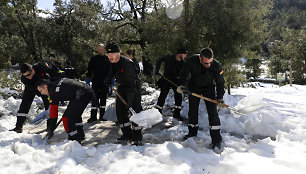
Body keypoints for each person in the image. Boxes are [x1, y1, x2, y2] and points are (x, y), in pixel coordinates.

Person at [177, 47, 225, 149]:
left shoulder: (216, 66)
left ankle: (216, 139)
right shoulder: (191, 61)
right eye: (205, 63)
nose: (208, 65)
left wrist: (220, 98)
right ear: (200, 58)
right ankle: (192, 133)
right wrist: (181, 85)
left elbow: (220, 83)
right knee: (193, 111)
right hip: (194, 88)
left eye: (210, 62)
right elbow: (183, 74)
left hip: (209, 89)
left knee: (213, 112)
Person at [36, 78, 99, 143]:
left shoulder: (53, 92)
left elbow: (53, 114)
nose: (42, 93)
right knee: (75, 115)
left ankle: (74, 141)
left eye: (41, 91)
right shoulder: (55, 84)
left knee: (66, 118)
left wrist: (51, 129)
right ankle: (80, 135)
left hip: (81, 94)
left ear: (45, 87)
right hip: (86, 90)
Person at [105, 42, 143, 145]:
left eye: (112, 54)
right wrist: (108, 79)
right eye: (108, 55)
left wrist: (130, 102)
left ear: (118, 53)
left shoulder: (127, 63)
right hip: (122, 87)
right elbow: (112, 71)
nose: (110, 56)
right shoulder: (112, 61)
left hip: (133, 88)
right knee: (120, 111)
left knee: (135, 111)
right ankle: (127, 134)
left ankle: (137, 136)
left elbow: (131, 85)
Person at [10, 62, 60, 133]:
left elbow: (53, 70)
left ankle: (50, 126)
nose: (28, 77)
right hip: (32, 87)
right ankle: (18, 127)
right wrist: (41, 93)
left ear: (32, 69)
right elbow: (36, 92)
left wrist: (55, 82)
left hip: (45, 86)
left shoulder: (41, 66)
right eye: (25, 76)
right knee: (25, 104)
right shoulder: (24, 79)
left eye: (28, 74)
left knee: (49, 105)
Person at [155, 48, 187, 120]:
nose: (185, 56)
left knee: (178, 95)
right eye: (184, 54)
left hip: (175, 80)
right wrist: (157, 70)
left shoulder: (183, 63)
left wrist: (182, 84)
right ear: (180, 54)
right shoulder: (169, 58)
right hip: (166, 78)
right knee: (163, 94)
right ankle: (157, 112)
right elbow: (159, 61)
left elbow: (184, 74)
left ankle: (177, 114)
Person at [86, 44, 110, 122]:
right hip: (95, 82)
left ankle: (102, 116)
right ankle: (93, 116)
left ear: (104, 50)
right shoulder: (93, 59)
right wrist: (88, 81)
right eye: (98, 49)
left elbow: (110, 72)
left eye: (101, 49)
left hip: (105, 83)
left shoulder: (107, 59)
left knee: (103, 100)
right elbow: (89, 70)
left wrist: (111, 82)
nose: (99, 51)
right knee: (94, 99)